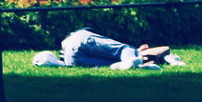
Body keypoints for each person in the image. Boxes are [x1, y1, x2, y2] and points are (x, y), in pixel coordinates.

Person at [32, 28, 184, 69]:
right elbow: (165, 48)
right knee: (124, 49)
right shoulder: (80, 35)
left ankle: (134, 64)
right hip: (76, 41)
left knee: (114, 63)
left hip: (71, 61)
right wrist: (136, 51)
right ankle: (133, 61)